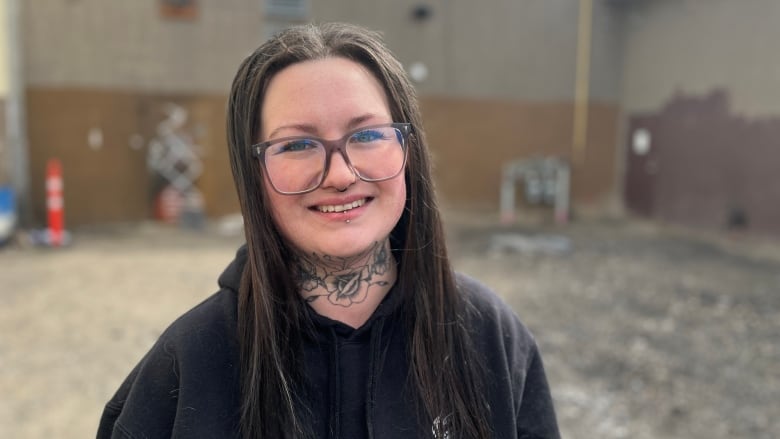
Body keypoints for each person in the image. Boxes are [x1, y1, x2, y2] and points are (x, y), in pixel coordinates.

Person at [97, 22, 560, 439]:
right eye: (297, 144)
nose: (340, 174)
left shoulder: (489, 336)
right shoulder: (189, 362)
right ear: (252, 174)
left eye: (368, 134)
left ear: (409, 153)